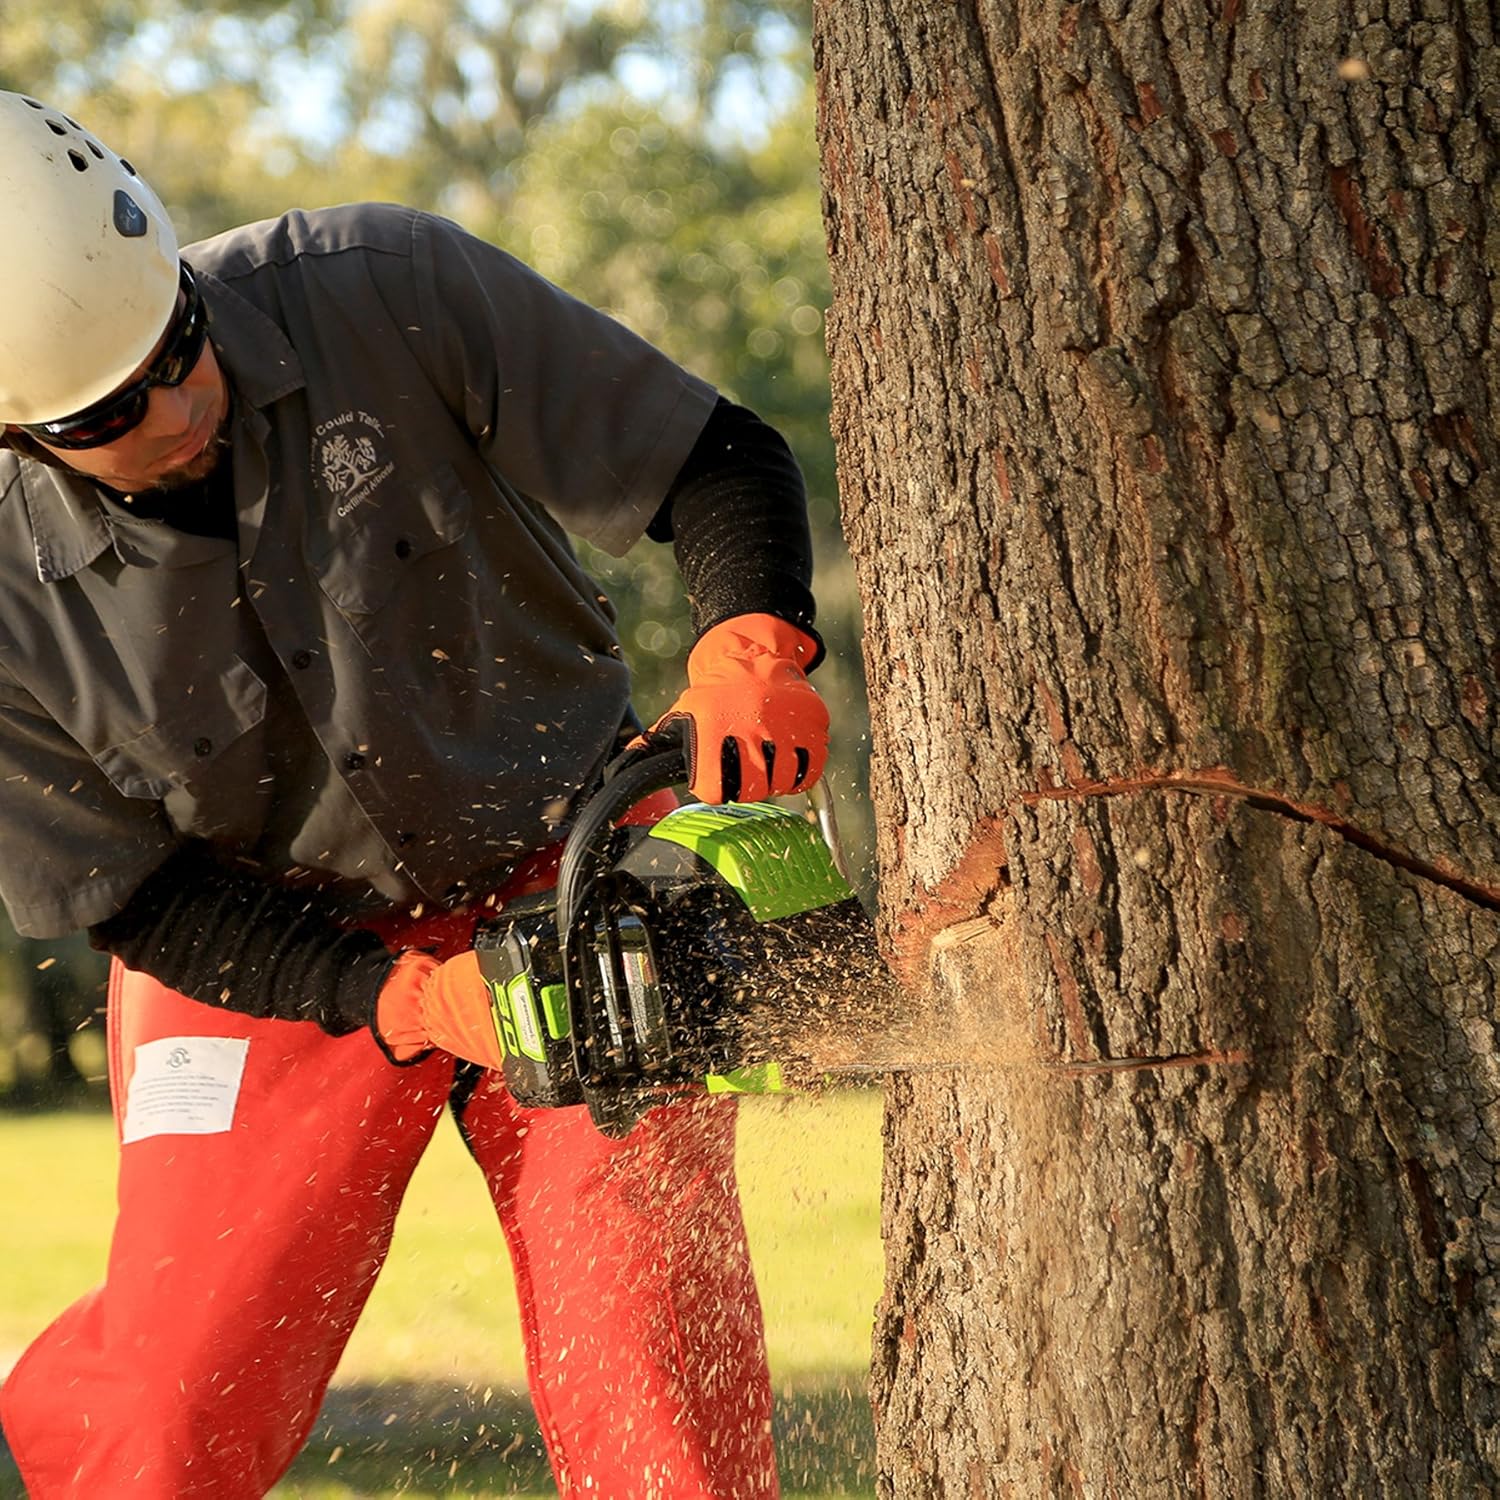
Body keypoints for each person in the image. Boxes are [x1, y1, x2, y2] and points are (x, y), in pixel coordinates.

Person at [0, 89, 831, 1499]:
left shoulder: (386, 287)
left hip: (570, 871)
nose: (184, 404)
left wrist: (751, 642)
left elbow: (716, 458)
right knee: (175, 1397)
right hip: (264, 944)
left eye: (181, 343)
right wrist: (391, 998)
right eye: (117, 410)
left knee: (652, 1365)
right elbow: (130, 896)